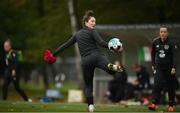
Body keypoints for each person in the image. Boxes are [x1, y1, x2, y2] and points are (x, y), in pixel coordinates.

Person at [44, 10, 123, 112]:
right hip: (97, 56)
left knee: (88, 85)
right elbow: (101, 43)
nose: (94, 24)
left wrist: (53, 54)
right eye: (92, 21)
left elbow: (65, 45)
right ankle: (110, 66)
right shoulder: (93, 31)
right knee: (111, 70)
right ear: (86, 22)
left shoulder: (77, 34)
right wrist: (112, 46)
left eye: (94, 22)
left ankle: (90, 107)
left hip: (86, 61)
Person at [148, 26, 178, 112]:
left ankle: (171, 105)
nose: (163, 33)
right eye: (161, 32)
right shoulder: (155, 41)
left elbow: (175, 57)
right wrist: (153, 64)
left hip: (169, 68)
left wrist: (173, 67)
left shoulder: (172, 43)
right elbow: (153, 53)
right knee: (157, 84)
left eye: (164, 32)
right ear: (159, 33)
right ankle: (154, 103)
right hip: (159, 67)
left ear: (167, 33)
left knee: (170, 86)